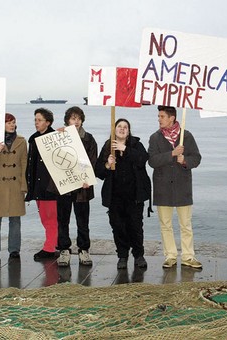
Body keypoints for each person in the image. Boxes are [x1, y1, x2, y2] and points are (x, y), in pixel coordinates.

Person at [148, 106, 202, 269]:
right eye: (159, 116)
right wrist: (172, 154)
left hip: (182, 185)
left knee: (185, 224)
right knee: (165, 224)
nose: (159, 119)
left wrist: (185, 160)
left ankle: (188, 256)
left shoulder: (187, 136)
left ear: (172, 118)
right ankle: (170, 255)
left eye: (162, 116)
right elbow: (152, 161)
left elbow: (197, 158)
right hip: (162, 186)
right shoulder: (155, 137)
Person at [96, 118, 152, 269]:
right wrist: (107, 164)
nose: (122, 129)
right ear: (114, 129)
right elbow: (98, 172)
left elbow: (142, 160)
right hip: (115, 196)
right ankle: (122, 255)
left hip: (134, 195)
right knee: (118, 227)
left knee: (135, 226)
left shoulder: (136, 144)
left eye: (125, 127)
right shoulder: (108, 146)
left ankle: (139, 255)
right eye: (119, 126)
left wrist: (125, 148)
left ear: (129, 130)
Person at [55, 106, 97, 267]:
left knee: (83, 220)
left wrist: (88, 178)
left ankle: (83, 250)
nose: (76, 121)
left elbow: (93, 160)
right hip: (64, 186)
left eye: (79, 118)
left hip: (82, 187)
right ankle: (64, 250)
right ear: (67, 120)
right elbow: (53, 158)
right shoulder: (59, 136)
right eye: (73, 118)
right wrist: (56, 135)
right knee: (62, 220)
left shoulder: (89, 138)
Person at [0, 113, 27, 259]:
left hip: (15, 184)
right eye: (8, 122)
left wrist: (24, 186)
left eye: (13, 122)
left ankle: (14, 250)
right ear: (1, 125)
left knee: (15, 219)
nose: (12, 125)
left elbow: (24, 164)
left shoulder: (22, 141)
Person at [25, 108, 60, 261]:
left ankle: (49, 248)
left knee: (50, 218)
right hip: (37, 186)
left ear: (48, 122)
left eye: (39, 120)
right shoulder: (33, 139)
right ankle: (54, 244)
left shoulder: (55, 137)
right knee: (45, 218)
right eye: (35, 120)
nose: (36, 123)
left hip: (50, 186)